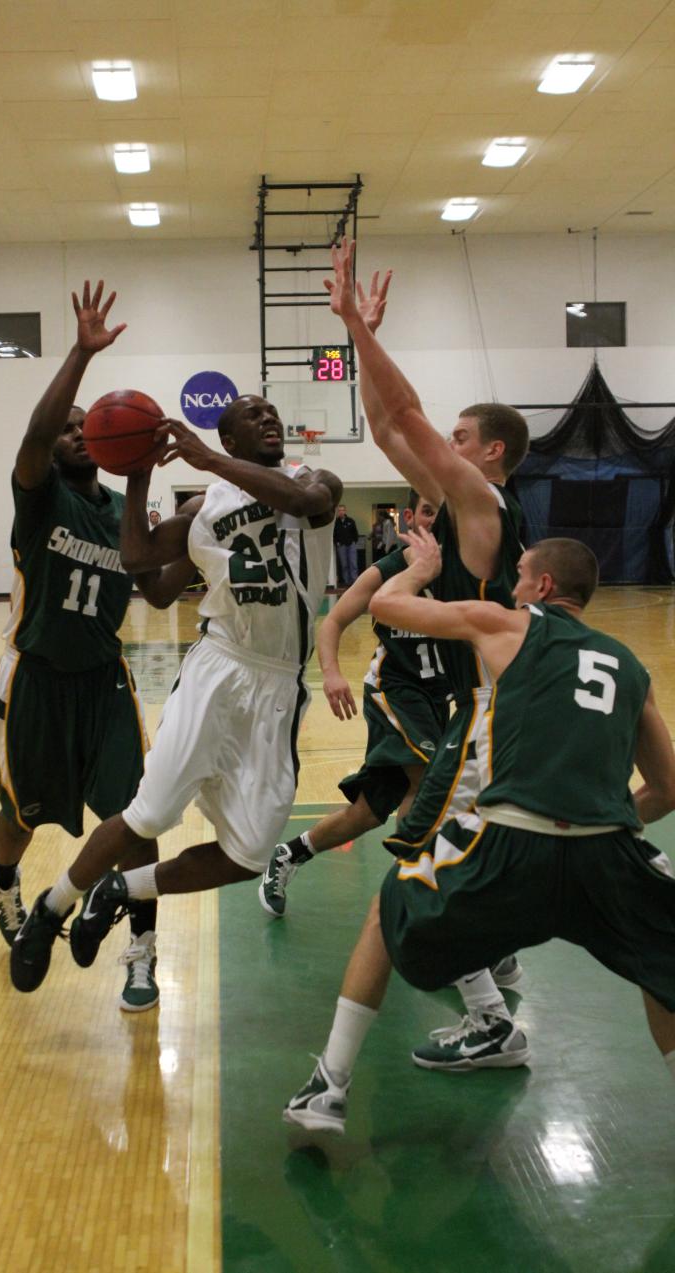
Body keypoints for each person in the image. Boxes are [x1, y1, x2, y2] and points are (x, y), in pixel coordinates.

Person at [285, 534, 675, 1133]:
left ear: (542, 587)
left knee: (388, 907)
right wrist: (592, 819)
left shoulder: (507, 625)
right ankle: (490, 1018)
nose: (511, 585)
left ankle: (328, 1087)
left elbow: (386, 606)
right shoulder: (631, 666)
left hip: (514, 844)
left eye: (519, 575)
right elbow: (667, 790)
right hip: (608, 851)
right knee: (662, 967)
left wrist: (419, 569)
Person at [9, 394, 343, 992]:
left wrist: (208, 459)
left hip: (277, 681)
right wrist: (137, 480)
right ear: (233, 439)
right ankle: (53, 907)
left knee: (247, 855)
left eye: (271, 410)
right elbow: (141, 564)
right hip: (218, 666)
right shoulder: (204, 509)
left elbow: (303, 502)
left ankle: (121, 888)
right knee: (148, 813)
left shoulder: (313, 481)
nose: (268, 417)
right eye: (252, 415)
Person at [324, 239, 531, 1064]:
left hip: (492, 712)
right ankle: (498, 956)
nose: (444, 442)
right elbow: (384, 423)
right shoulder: (451, 505)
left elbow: (406, 417)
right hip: (470, 710)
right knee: (444, 847)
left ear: (491, 453)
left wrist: (357, 329)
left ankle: (491, 1019)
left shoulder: (483, 503)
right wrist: (356, 343)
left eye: (461, 435)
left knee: (420, 854)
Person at [0, 279, 194, 1012]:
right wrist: (80, 352)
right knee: (20, 813)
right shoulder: (39, 493)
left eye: (87, 425)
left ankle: (142, 952)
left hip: (104, 680)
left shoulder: (122, 514)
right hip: (36, 677)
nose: (76, 431)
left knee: (136, 818)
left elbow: (162, 592)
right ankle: (8, 888)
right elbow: (34, 437)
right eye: (68, 426)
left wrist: (204, 534)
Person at [259, 488, 448, 917]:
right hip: (395, 690)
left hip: (438, 697)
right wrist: (330, 673)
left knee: (369, 811)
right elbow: (335, 621)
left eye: (442, 513)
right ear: (410, 518)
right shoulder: (387, 570)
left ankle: (291, 853)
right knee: (427, 781)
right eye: (427, 511)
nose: (434, 521)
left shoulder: (466, 567)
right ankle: (418, 895)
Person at [333, 504, 359, 587]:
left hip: (351, 545)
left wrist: (354, 541)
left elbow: (355, 532)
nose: (341, 512)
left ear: (345, 511)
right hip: (341, 546)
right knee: (344, 565)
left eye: (342, 510)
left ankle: (354, 581)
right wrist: (336, 542)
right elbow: (333, 534)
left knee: (353, 563)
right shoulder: (335, 522)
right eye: (339, 510)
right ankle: (347, 582)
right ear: (338, 512)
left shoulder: (350, 521)